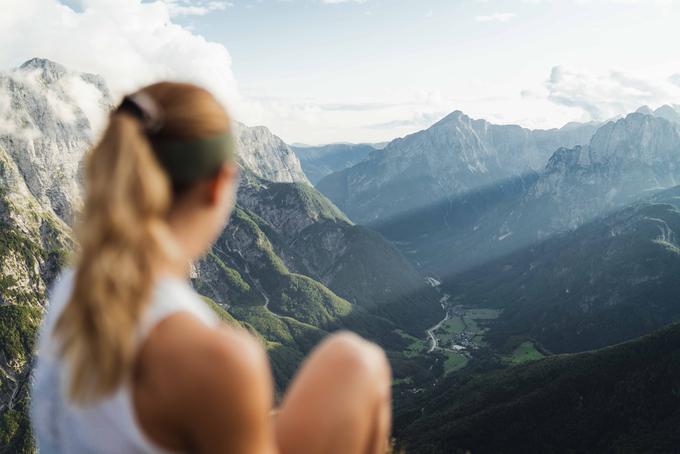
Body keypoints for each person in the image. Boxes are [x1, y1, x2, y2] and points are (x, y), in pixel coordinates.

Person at [30, 82, 392, 454]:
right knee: (359, 363)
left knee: (349, 360)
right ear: (219, 184)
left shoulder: (73, 288)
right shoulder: (216, 360)